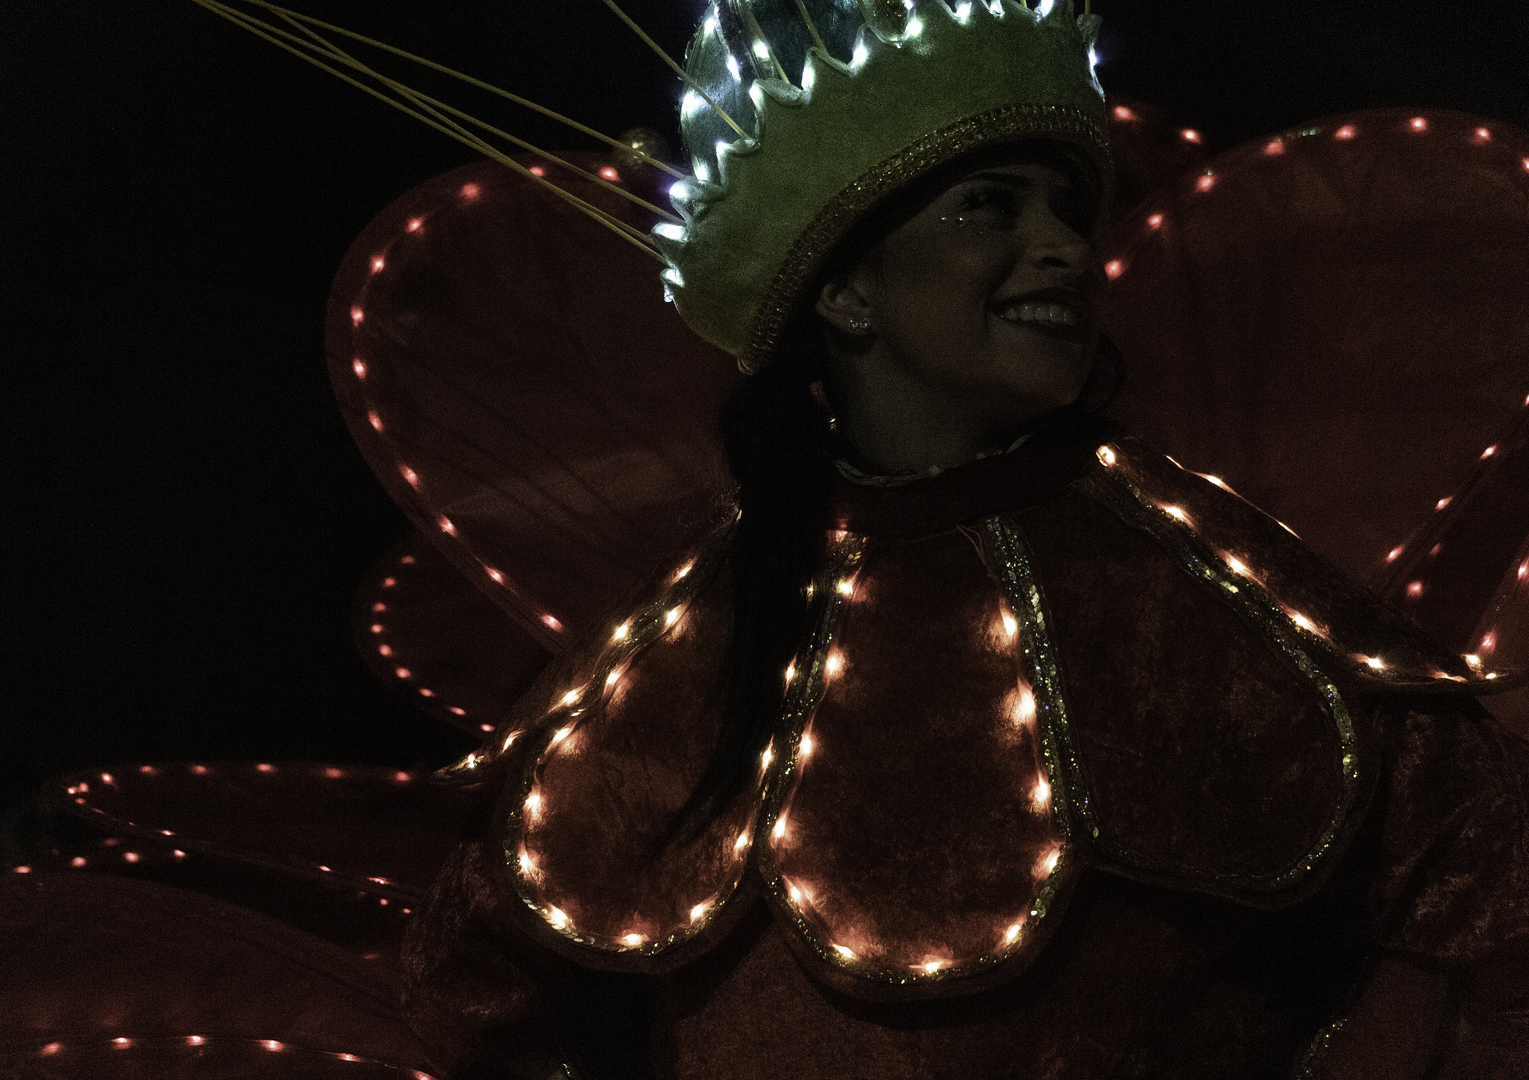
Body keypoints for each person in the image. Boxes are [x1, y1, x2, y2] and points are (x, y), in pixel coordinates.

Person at [396, 2, 1529, 1078]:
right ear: (844, 289)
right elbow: (495, 1006)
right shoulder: (684, 645)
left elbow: (1484, 920)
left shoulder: (1221, 589)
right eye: (992, 206)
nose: (1068, 253)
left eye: (1066, 211)